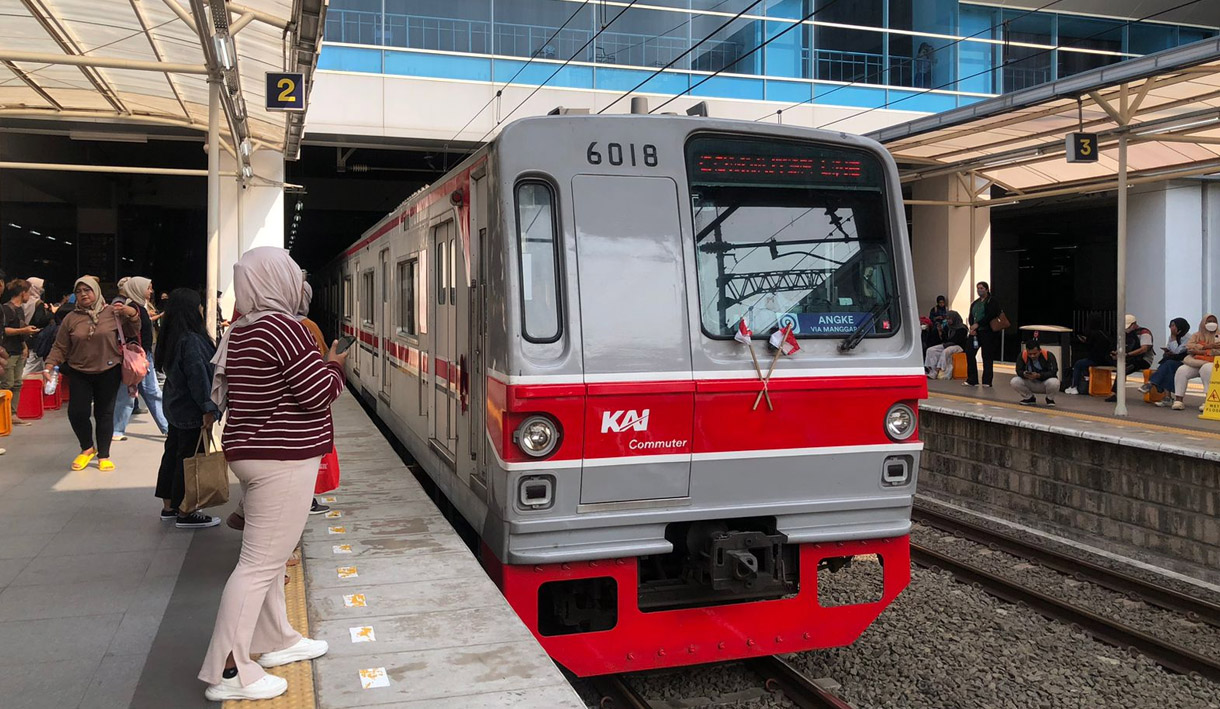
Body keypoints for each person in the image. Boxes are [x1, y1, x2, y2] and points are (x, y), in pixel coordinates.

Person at [199, 247, 345, 701]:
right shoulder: (287, 329)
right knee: (258, 565)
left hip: (253, 451)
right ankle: (228, 671)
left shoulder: (240, 330)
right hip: (282, 459)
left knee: (267, 559)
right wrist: (336, 366)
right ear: (278, 280)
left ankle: (276, 638)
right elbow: (318, 393)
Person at [42, 277, 139, 471]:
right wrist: (49, 365)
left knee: (104, 413)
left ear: (96, 291)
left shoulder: (114, 313)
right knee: (77, 412)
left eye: (88, 290)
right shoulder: (71, 318)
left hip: (109, 370)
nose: (84, 294)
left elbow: (134, 330)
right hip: (79, 371)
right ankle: (87, 448)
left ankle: (104, 454)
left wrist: (133, 314)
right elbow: (60, 346)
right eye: (79, 291)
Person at [155, 288, 222, 529]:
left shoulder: (172, 337)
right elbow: (198, 377)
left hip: (176, 408)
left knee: (173, 457)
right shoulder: (192, 340)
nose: (202, 310)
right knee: (190, 460)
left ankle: (169, 507)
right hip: (192, 410)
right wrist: (208, 408)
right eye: (199, 305)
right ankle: (187, 511)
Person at [112, 277, 169, 440]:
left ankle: (117, 430)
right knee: (151, 392)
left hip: (136, 356)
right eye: (148, 288)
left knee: (127, 392)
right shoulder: (132, 307)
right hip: (139, 356)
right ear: (138, 288)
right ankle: (167, 427)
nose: (150, 291)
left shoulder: (136, 305)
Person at [2, 279, 38, 425]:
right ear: (23, 293)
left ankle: (12, 414)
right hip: (7, 351)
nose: (29, 296)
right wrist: (23, 330)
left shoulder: (20, 309)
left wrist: (24, 345)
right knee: (6, 383)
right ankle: (3, 415)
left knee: (17, 383)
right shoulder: (6, 309)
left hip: (17, 349)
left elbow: (19, 329)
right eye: (28, 292)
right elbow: (4, 330)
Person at [1168, 313, 1219, 411]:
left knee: (1206, 369)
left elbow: (1217, 352)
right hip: (1196, 362)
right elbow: (1189, 347)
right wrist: (1207, 347)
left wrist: (1199, 350)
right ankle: (1179, 400)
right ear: (1203, 323)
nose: (1212, 323)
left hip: (1213, 363)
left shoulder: (1218, 335)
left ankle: (1209, 400)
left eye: (1214, 321)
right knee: (1182, 370)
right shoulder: (1197, 335)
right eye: (1209, 321)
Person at [1105, 314, 1153, 403]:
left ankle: (1115, 393)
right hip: (1129, 358)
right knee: (1116, 363)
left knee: (1123, 369)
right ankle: (1115, 393)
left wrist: (1127, 354)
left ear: (1134, 324)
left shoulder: (1144, 332)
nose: (1127, 329)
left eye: (1128, 326)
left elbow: (1144, 349)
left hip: (1144, 360)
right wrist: (1117, 353)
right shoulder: (1127, 334)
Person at [965, 281, 1003, 387]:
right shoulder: (975, 303)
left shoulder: (992, 301)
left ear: (987, 289)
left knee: (987, 355)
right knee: (969, 352)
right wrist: (972, 326)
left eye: (982, 288)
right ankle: (972, 379)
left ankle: (987, 381)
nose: (979, 290)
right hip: (976, 333)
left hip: (987, 332)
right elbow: (971, 315)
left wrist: (979, 324)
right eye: (978, 288)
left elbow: (991, 315)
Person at [1142, 318, 1190, 403]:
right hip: (1173, 360)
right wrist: (1168, 351)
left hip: (1184, 361)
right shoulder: (1172, 337)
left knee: (1168, 365)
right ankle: (1167, 397)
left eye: (1173, 326)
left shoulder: (1188, 337)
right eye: (1171, 326)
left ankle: (1151, 383)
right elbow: (1169, 347)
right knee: (1166, 366)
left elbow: (1177, 351)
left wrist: (1173, 337)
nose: (1171, 328)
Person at [1065, 315, 1114, 395]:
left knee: (1078, 364)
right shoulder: (1105, 333)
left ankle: (1074, 386)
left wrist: (1084, 341)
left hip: (1095, 360)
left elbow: (1089, 346)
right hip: (1106, 360)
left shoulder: (1093, 333)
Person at [1011, 340, 1059, 406]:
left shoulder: (1048, 355)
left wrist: (1039, 375)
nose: (1032, 356)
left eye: (1035, 353)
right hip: (1030, 381)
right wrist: (1024, 374)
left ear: (1039, 351)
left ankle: (1050, 398)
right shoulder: (1022, 355)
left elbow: (1053, 371)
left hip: (1044, 382)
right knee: (1014, 381)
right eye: (1030, 354)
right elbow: (1018, 370)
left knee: (1054, 382)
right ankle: (1029, 398)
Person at [924, 310, 967, 379]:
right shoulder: (947, 327)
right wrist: (941, 333)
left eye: (950, 319)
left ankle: (940, 369)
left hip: (958, 346)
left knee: (946, 351)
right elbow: (945, 339)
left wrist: (947, 344)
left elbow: (957, 340)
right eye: (947, 319)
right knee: (931, 350)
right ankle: (932, 371)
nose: (948, 321)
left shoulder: (962, 328)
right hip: (947, 345)